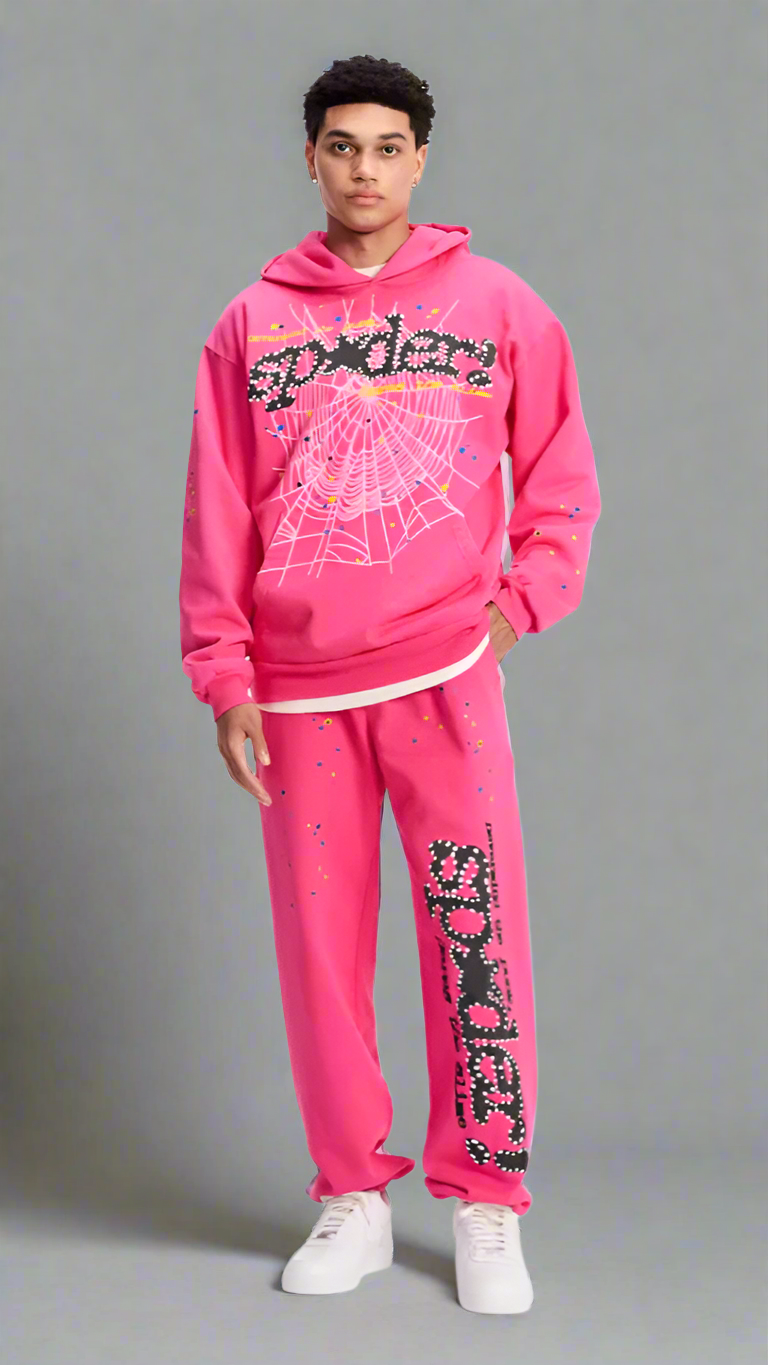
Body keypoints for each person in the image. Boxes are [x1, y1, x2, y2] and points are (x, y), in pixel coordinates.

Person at [178, 53, 600, 1315]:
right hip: (296, 693)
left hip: (445, 678)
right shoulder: (248, 325)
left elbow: (561, 473)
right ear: (311, 158)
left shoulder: (498, 304)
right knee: (320, 952)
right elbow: (216, 511)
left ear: (421, 160)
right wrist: (224, 672)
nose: (364, 169)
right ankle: (352, 1196)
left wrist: (516, 607)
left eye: (388, 147)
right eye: (342, 145)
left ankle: (486, 1197)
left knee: (476, 933)